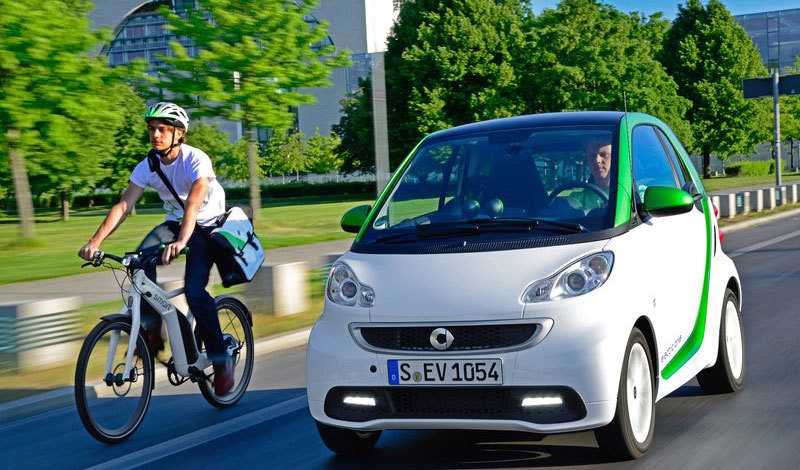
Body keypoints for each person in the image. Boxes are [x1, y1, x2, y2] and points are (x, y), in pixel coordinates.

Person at [78, 102, 234, 396]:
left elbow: (194, 203)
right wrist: (94, 242)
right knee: (138, 263)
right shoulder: (148, 166)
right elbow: (124, 205)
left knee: (194, 291)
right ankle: (151, 330)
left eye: (162, 129)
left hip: (207, 227)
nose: (155, 135)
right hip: (176, 224)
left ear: (179, 133)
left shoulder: (196, 159)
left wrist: (182, 241)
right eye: (152, 129)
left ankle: (220, 359)